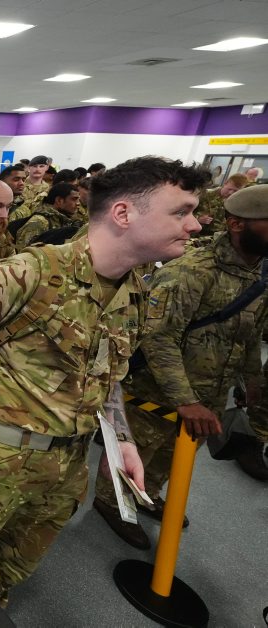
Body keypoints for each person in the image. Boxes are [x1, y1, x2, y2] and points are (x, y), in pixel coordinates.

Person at [0, 156, 209, 606]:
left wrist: (121, 442)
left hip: (68, 465)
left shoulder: (135, 290)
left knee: (5, 573)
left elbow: (108, 372)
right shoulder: (31, 272)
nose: (194, 225)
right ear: (123, 213)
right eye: (181, 212)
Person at [93, 184, 268, 547]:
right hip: (157, 389)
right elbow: (158, 338)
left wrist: (251, 379)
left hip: (209, 391)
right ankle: (111, 502)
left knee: (174, 454)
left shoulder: (258, 274)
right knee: (140, 446)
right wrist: (186, 399)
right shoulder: (192, 271)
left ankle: (148, 492)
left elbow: (250, 335)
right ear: (237, 224)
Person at [15, 182, 81, 247]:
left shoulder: (66, 220)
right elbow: (23, 250)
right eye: (74, 199)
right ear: (59, 200)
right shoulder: (39, 222)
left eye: (78, 199)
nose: (78, 203)